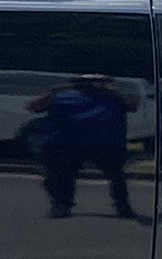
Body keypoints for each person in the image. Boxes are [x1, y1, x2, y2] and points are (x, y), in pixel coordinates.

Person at [37, 74, 136, 219]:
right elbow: (34, 107)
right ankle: (61, 204)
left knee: (116, 175)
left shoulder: (113, 97)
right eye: (85, 82)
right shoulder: (62, 96)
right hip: (68, 143)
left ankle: (122, 206)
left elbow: (133, 106)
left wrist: (114, 91)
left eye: (95, 82)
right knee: (60, 175)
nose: (91, 86)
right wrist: (56, 90)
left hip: (105, 143)